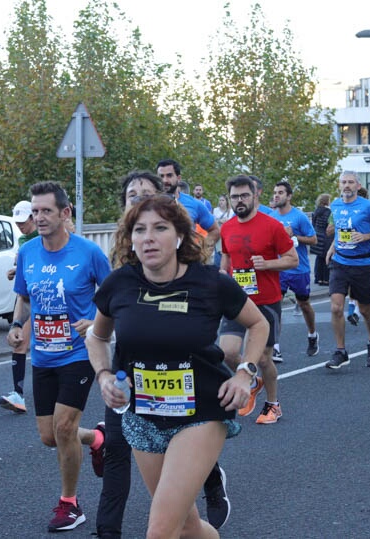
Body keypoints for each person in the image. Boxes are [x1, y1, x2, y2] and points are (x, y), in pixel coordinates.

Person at [87, 195, 269, 539]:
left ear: (180, 236)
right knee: (186, 527)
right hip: (143, 417)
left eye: (160, 228)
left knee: (159, 531)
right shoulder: (120, 284)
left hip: (201, 412)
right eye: (139, 230)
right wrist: (104, 374)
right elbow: (96, 338)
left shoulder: (210, 282)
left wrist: (245, 372)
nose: (148, 238)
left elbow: (258, 324)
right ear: (131, 239)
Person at [5, 181, 110, 532]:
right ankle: (96, 439)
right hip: (43, 357)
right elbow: (24, 296)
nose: (40, 217)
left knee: (64, 427)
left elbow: (113, 298)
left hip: (78, 354)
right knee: (50, 436)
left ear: (65, 213)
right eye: (35, 211)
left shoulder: (88, 253)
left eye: (46, 210)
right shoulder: (29, 252)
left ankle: (70, 504)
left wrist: (95, 321)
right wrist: (17, 325)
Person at [218, 175, 297, 425]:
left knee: (263, 358)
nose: (239, 201)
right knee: (227, 352)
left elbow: (292, 259)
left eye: (244, 195)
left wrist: (269, 264)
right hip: (237, 301)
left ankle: (273, 405)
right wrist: (221, 277)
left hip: (266, 301)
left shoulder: (272, 226)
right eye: (234, 197)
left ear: (255, 196)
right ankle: (250, 379)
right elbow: (226, 260)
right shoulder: (227, 227)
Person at [324, 171, 370, 370]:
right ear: (339, 185)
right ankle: (340, 351)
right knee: (336, 307)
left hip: (362, 264)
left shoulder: (368, 206)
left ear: (358, 186)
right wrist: (332, 248)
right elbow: (340, 230)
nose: (347, 186)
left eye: (351, 182)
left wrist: (365, 237)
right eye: (344, 182)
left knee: (365, 309)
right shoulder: (335, 205)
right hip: (340, 263)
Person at [270, 180, 319, 357]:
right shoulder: (271, 217)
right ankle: (275, 346)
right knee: (276, 307)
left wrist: (295, 236)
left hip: (299, 268)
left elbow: (313, 240)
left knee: (304, 304)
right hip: (280, 268)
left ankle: (312, 334)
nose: (276, 195)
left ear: (289, 196)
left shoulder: (299, 217)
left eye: (280, 192)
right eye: (275, 192)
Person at [0, 199, 39, 414]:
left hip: (44, 299)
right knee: (19, 344)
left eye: (23, 222)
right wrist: (14, 271)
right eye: (17, 222)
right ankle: (18, 394)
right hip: (26, 297)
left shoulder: (43, 237)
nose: (20, 226)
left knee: (24, 344)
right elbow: (25, 269)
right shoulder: (23, 239)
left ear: (33, 218)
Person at [310, 193, 332, 287]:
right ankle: (326, 279)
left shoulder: (316, 211)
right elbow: (330, 226)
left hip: (317, 236)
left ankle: (318, 278)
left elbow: (313, 224)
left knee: (319, 259)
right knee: (327, 258)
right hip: (326, 237)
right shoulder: (328, 212)